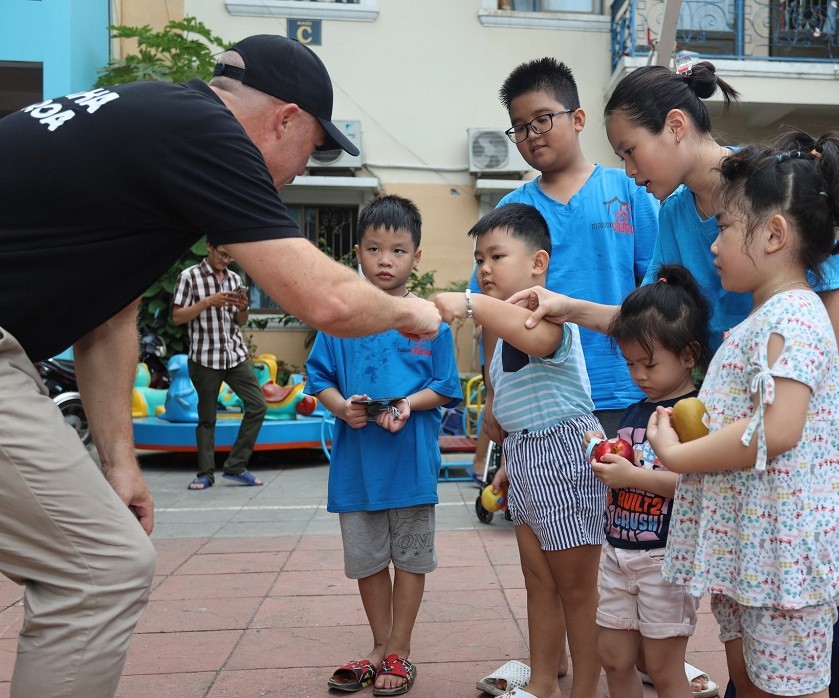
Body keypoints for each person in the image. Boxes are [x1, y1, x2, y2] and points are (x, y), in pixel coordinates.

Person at [0, 34, 439, 697]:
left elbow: (109, 315)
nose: (299, 173)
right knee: (101, 570)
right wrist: (417, 312)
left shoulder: (150, 123)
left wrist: (120, 464)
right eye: (313, 150)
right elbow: (320, 297)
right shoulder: (209, 133)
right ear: (285, 118)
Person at [602, 63, 839, 698]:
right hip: (754, 516)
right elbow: (664, 308)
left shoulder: (775, 192)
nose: (713, 243)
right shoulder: (741, 287)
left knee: (797, 650)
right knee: (754, 666)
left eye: (727, 232)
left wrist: (685, 452)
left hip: (784, 512)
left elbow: (782, 423)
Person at [435, 204, 607, 698]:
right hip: (529, 464)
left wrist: (466, 303)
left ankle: (586, 692)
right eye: (478, 259)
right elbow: (515, 415)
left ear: (538, 263)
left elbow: (525, 333)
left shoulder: (549, 325)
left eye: (496, 255)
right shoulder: (497, 346)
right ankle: (543, 682)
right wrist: (508, 463)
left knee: (577, 591)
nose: (484, 268)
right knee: (538, 584)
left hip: (568, 462)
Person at [305, 195, 461, 694]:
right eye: (375, 249)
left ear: (416, 256)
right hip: (357, 470)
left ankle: (399, 651)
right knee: (369, 562)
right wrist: (340, 407)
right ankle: (379, 647)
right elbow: (318, 378)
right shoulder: (341, 318)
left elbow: (445, 385)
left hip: (411, 465)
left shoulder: (430, 320)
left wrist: (408, 405)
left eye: (398, 250)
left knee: (411, 560)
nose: (385, 260)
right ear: (358, 253)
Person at [481, 56, 659, 438]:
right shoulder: (510, 209)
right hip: (541, 401)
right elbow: (492, 306)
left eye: (543, 119)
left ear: (577, 119)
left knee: (625, 495)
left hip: (625, 390)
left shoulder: (630, 189)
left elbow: (660, 289)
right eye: (520, 127)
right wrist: (494, 393)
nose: (532, 134)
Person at [591, 264, 719, 698]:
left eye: (648, 363)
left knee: (664, 670)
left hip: (666, 558)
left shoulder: (693, 414)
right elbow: (629, 473)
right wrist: (607, 458)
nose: (638, 375)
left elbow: (694, 486)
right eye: (630, 364)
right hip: (618, 551)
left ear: (688, 355)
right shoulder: (635, 411)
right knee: (612, 658)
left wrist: (632, 476)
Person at [173, 242, 267, 490]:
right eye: (223, 254)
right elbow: (177, 317)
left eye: (230, 256)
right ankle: (205, 474)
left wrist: (243, 307)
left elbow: (240, 321)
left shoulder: (235, 278)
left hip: (235, 355)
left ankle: (236, 466)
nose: (226, 260)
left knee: (258, 405)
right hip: (204, 358)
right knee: (207, 419)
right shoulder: (189, 277)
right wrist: (207, 302)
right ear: (209, 247)